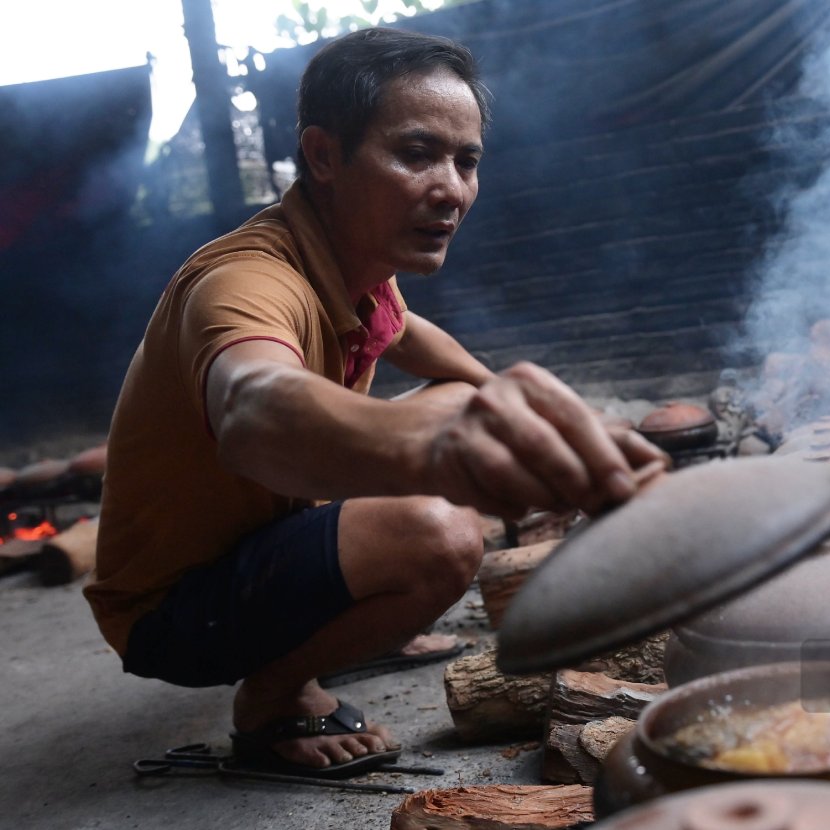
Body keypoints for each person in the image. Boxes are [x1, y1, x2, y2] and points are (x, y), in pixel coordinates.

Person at [83, 27, 665, 778]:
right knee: (442, 535)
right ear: (324, 155)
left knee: (458, 404)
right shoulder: (247, 281)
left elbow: (415, 338)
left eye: (467, 161)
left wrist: (518, 408)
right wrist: (433, 450)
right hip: (175, 614)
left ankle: (346, 614)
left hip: (261, 548)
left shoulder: (355, 262)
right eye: (418, 154)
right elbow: (253, 408)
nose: (451, 188)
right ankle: (272, 696)